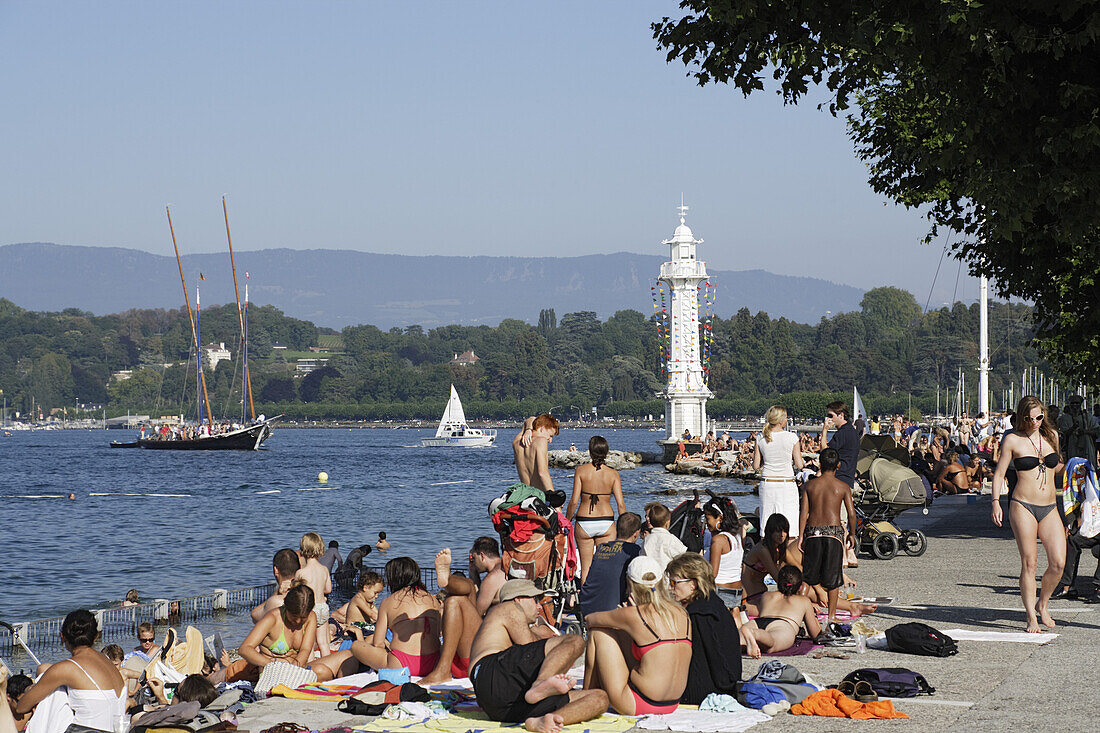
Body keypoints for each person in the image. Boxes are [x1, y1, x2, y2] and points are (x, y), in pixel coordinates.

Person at [470, 580, 607, 733]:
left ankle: (546, 720)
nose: (539, 606)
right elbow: (529, 644)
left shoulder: (503, 628)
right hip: (491, 671)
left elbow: (531, 652)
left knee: (600, 698)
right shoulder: (507, 608)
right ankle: (539, 684)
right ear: (518, 599)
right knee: (575, 641)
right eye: (534, 600)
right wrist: (548, 637)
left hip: (500, 707)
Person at [992, 395, 1067, 632]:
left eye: (1040, 417)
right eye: (1031, 418)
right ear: (1022, 417)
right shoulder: (1013, 440)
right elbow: (999, 473)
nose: (1036, 422)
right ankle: (1030, 616)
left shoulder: (1051, 436)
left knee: (1058, 562)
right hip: (1022, 504)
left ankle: (1042, 604)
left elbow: (1057, 467)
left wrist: (1077, 466)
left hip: (1050, 506)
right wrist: (995, 502)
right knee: (1030, 563)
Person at [582, 556, 692, 715]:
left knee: (599, 633)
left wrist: (621, 617)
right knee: (632, 639)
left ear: (629, 584)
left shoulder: (634, 614)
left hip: (639, 703)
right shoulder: (682, 612)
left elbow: (590, 619)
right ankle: (589, 695)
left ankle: (587, 695)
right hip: (672, 704)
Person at [14, 610, 126, 731]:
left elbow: (21, 707)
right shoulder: (107, 663)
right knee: (47, 673)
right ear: (95, 636)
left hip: (86, 730)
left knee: (52, 686)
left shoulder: (66, 668)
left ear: (62, 636)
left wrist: (31, 689)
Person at [222, 583, 354, 684]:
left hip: (295, 669)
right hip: (271, 672)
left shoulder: (311, 617)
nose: (297, 621)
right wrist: (272, 663)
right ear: (286, 607)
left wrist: (296, 665)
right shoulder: (273, 618)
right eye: (294, 617)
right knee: (322, 671)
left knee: (347, 656)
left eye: (302, 618)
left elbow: (306, 649)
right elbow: (245, 649)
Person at [665, 553, 746, 704]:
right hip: (719, 686)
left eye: (674, 582)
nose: (670, 588)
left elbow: (716, 657)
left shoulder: (700, 614)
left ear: (693, 584)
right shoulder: (713, 604)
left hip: (705, 692)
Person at [352, 557, 442, 676]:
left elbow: (378, 643)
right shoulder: (433, 600)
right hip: (433, 662)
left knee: (356, 646)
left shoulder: (388, 602)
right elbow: (438, 633)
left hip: (400, 664)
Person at [798, 447, 857, 625]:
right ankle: (831, 615)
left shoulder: (810, 485)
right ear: (838, 465)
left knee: (808, 578)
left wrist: (801, 536)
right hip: (834, 533)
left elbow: (804, 513)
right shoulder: (843, 486)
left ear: (820, 464)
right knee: (833, 579)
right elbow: (852, 514)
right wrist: (852, 534)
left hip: (813, 531)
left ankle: (800, 611)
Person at [421, 549, 487, 684]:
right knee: (458, 598)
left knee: (456, 599)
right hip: (472, 660)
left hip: (454, 662)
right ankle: (448, 579)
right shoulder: (458, 601)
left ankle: (448, 580)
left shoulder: (439, 605)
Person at [566, 435, 627, 583]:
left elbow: (574, 501)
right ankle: (604, 602)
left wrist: (566, 520)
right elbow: (620, 504)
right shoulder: (613, 474)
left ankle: (586, 603)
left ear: (590, 451)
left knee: (585, 568)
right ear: (606, 452)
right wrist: (624, 528)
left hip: (584, 521)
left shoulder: (581, 471)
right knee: (605, 567)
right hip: (606, 522)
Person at [818, 401, 860, 566]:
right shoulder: (852, 432)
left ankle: (844, 555)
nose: (828, 419)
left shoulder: (842, 433)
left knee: (839, 518)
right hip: (848, 477)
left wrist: (824, 430)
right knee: (845, 515)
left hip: (838, 478)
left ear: (841, 415)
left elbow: (825, 452)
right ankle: (850, 553)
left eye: (831, 416)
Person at [746, 566, 824, 653]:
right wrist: (814, 615)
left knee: (739, 644)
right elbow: (815, 634)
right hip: (783, 625)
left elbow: (748, 607)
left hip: (759, 621)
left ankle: (747, 633)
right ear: (800, 587)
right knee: (771, 645)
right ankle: (755, 634)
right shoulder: (804, 601)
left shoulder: (767, 595)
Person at [577, 512, 643, 616]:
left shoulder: (602, 548)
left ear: (617, 529)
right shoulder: (634, 551)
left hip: (587, 604)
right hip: (611, 609)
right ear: (636, 533)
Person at [754, 405, 804, 538]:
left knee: (766, 523)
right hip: (786, 484)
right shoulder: (792, 437)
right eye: (786, 417)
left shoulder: (760, 437)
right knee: (790, 525)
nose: (787, 420)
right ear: (781, 420)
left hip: (768, 483)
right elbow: (799, 465)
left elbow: (756, 466)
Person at [741, 513, 789, 615]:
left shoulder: (779, 549)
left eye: (785, 531)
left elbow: (798, 566)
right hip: (747, 597)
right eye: (777, 531)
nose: (782, 534)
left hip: (761, 593)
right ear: (770, 532)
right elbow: (777, 577)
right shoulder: (762, 549)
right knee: (779, 610)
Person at [296, 532, 334, 656]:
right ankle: (328, 666)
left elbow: (298, 594)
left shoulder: (301, 573)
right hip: (323, 607)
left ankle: (310, 668)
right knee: (323, 642)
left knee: (309, 644)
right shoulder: (324, 569)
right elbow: (328, 589)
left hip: (310, 610)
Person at [703, 498, 744, 610]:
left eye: (708, 519)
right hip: (737, 592)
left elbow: (713, 573)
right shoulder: (736, 537)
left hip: (721, 592)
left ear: (720, 518)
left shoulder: (718, 540)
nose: (706, 523)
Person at [252, 548, 301, 623]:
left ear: (276, 570)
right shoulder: (304, 593)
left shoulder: (275, 601)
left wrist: (276, 593)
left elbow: (254, 616)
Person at [514, 414, 560, 492]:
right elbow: (542, 473)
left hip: (525, 495)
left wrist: (528, 430)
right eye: (550, 435)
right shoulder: (541, 441)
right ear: (542, 428)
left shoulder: (516, 442)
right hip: (539, 496)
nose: (550, 440)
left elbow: (530, 419)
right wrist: (554, 497)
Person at [642, 502, 687, 571]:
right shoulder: (671, 539)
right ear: (668, 522)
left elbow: (642, 556)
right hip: (666, 576)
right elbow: (682, 556)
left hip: (650, 575)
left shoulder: (647, 539)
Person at [1059, 394, 1098, 464]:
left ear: (1080, 404)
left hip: (1087, 445)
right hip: (1071, 446)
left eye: (1077, 403)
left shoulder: (1088, 417)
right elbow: (1063, 433)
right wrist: (1073, 428)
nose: (1075, 405)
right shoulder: (1065, 418)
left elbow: (1096, 431)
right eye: (1073, 403)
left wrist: (1085, 431)